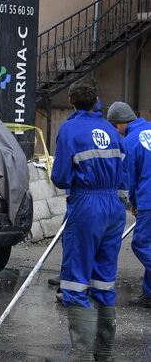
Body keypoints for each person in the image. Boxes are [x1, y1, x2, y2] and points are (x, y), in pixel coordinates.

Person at [51, 78, 127, 361]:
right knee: (104, 279)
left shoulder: (70, 130)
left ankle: (80, 355)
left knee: (75, 279)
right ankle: (103, 352)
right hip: (114, 208)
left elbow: (59, 177)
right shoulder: (111, 129)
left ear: (71, 100)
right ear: (97, 101)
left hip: (87, 205)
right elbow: (124, 171)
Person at [106, 101, 151, 309]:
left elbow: (130, 178)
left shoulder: (130, 141)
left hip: (148, 199)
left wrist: (133, 202)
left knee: (140, 244)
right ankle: (149, 294)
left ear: (120, 124)